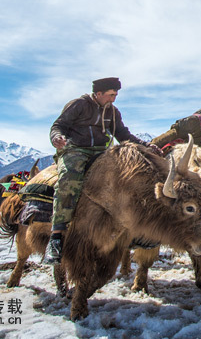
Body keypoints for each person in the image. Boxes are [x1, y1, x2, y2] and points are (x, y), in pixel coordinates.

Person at [46, 77, 147, 263]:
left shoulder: (113, 112)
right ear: (98, 93)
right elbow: (58, 126)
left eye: (116, 95)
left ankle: (132, 230)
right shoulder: (78, 105)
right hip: (75, 150)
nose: (113, 99)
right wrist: (57, 137)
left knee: (128, 178)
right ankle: (57, 236)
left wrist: (145, 146)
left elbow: (123, 135)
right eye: (110, 95)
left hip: (101, 152)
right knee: (69, 179)